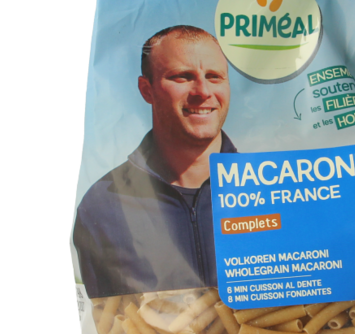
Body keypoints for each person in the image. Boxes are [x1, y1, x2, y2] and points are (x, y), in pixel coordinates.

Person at [73, 25, 237, 298]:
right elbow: (106, 320)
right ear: (146, 89)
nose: (203, 91)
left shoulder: (273, 193)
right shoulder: (103, 206)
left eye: (214, 76)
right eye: (182, 77)